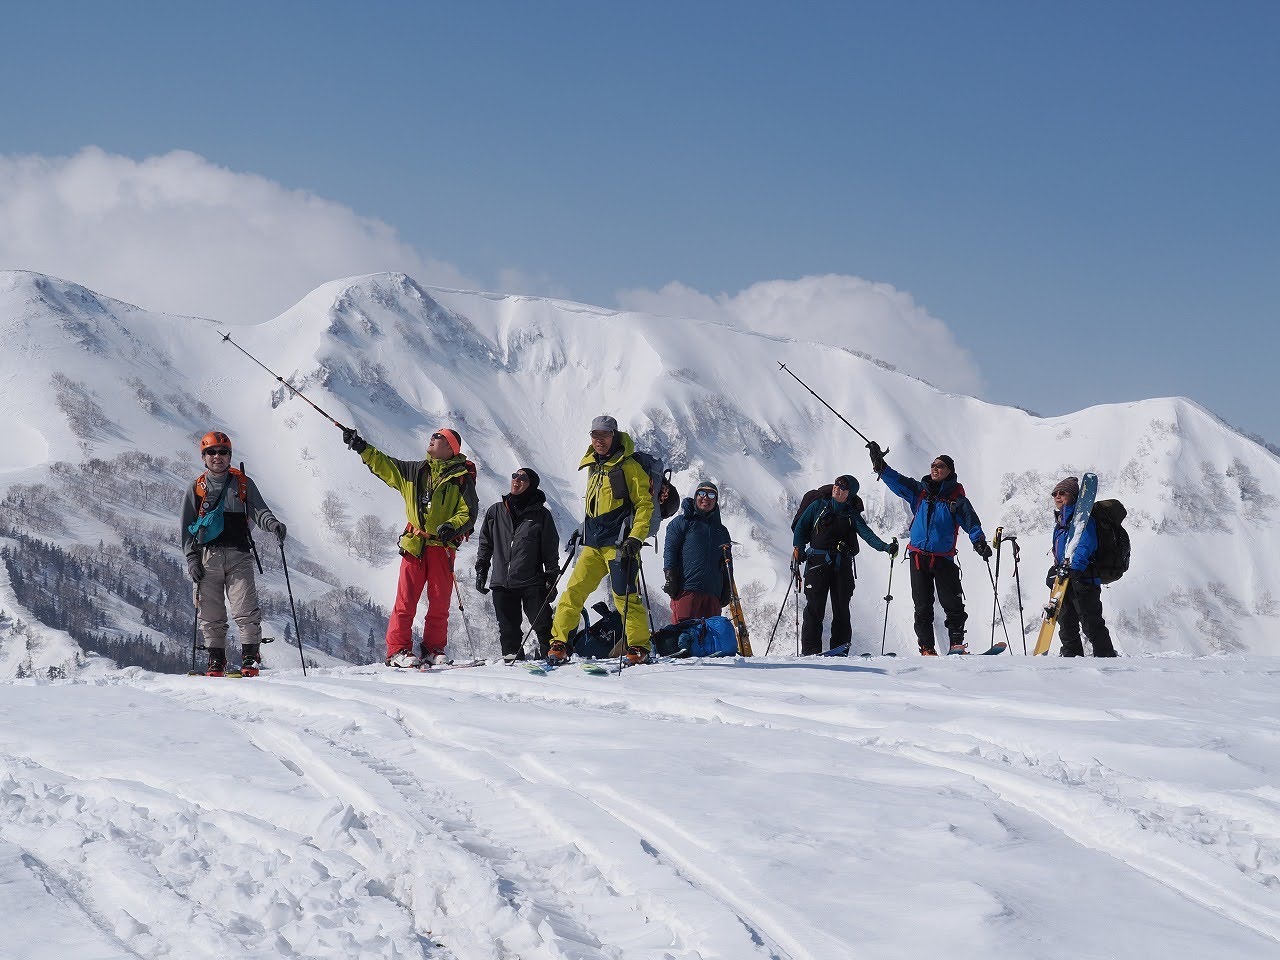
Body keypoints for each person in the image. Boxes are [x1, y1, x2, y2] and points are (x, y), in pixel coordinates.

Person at [341, 425, 477, 668]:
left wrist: (451, 526)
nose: (432, 438)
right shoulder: (415, 471)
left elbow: (468, 512)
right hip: (415, 544)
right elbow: (385, 465)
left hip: (443, 547)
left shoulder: (462, 479)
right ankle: (398, 650)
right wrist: (361, 447)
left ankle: (433, 649)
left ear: (450, 447)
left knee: (439, 603)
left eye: (438, 437)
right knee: (406, 600)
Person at [549, 415, 655, 664]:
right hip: (594, 543)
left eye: (604, 436)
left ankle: (639, 647)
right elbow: (595, 506)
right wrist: (581, 528)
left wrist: (635, 538)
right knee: (573, 592)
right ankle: (559, 643)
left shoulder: (628, 467)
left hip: (620, 546)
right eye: (595, 436)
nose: (599, 441)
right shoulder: (594, 466)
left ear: (614, 436)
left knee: (625, 597)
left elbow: (644, 505)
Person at [181, 431, 286, 677]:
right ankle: (216, 659)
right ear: (203, 457)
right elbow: (186, 527)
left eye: (222, 452)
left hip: (239, 554)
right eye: (211, 452)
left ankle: (250, 657)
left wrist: (274, 526)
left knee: (245, 607)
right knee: (210, 612)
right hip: (207, 557)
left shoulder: (243, 483)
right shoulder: (196, 488)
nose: (217, 457)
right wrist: (191, 558)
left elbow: (260, 512)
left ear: (230, 455)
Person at [868, 445, 990, 655]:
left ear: (949, 471)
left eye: (940, 466)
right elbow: (898, 482)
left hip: (943, 559)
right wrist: (880, 466)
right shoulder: (920, 491)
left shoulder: (957, 500)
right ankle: (926, 648)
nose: (935, 468)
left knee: (952, 603)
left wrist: (979, 541)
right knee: (922, 606)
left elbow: (972, 522)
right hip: (918, 558)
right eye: (933, 465)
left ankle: (956, 644)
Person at [791, 475, 896, 655]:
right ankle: (810, 651)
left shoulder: (851, 514)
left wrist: (886, 547)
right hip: (818, 564)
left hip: (840, 567)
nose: (837, 488)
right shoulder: (818, 506)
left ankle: (839, 649)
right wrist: (798, 548)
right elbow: (801, 528)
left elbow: (867, 535)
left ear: (849, 494)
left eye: (842, 487)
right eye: (837, 484)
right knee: (815, 609)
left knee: (841, 609)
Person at [475, 467, 560, 661]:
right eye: (514, 476)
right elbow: (485, 542)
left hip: (532, 581)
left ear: (532, 485)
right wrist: (482, 569)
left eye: (523, 478)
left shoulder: (541, 515)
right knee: (507, 630)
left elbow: (550, 548)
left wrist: (552, 576)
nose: (516, 480)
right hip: (502, 583)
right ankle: (513, 664)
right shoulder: (496, 511)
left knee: (542, 625)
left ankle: (552, 658)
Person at [1048, 476, 1118, 657]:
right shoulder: (1061, 522)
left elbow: (1086, 544)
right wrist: (1056, 569)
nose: (1057, 496)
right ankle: (1071, 658)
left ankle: (1106, 658)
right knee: (1066, 622)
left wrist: (1076, 567)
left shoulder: (1083, 519)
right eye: (1055, 493)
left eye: (1062, 493)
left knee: (1090, 622)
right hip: (1065, 579)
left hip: (1084, 578)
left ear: (1073, 495)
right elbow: (1062, 551)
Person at [662, 481, 733, 622]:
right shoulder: (682, 522)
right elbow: (670, 550)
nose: (706, 498)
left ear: (716, 500)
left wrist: (727, 587)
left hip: (713, 594)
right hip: (686, 590)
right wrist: (670, 577)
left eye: (711, 495)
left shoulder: (722, 531)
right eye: (702, 493)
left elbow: (727, 563)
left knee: (709, 639)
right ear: (695, 496)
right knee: (683, 636)